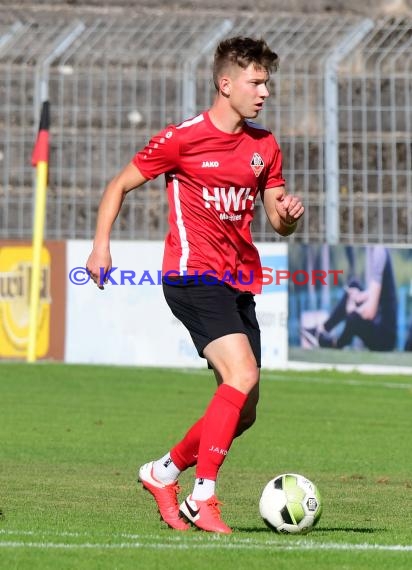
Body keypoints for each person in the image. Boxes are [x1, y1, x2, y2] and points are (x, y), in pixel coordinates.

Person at [86, 36, 304, 534]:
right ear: (225, 84)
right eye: (255, 82)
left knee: (243, 410)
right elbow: (118, 185)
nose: (264, 92)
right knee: (242, 375)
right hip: (191, 274)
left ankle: (163, 473)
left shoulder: (264, 144)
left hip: (239, 281)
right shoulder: (182, 138)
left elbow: (276, 218)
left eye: (266, 82)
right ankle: (203, 495)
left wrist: (288, 216)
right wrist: (102, 245)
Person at [302, 245, 397, 351]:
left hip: (384, 340)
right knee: (353, 287)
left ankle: (336, 343)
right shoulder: (379, 251)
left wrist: (351, 310)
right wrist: (359, 297)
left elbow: (370, 313)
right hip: (379, 323)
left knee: (353, 317)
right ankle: (321, 329)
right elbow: (376, 295)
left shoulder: (379, 253)